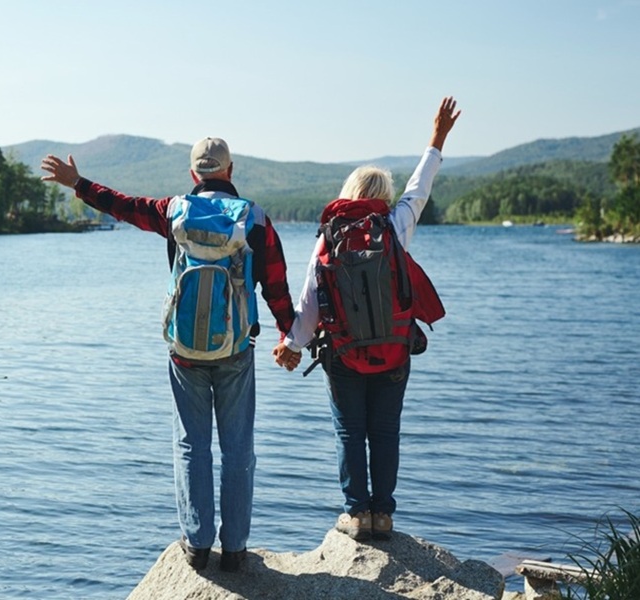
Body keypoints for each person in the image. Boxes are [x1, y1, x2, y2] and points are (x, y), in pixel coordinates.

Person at [40, 138, 295, 572]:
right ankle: (235, 549)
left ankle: (197, 544)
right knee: (238, 449)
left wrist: (78, 183)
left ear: (194, 174)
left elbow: (123, 206)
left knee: (191, 444)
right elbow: (276, 285)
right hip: (236, 349)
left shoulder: (173, 210)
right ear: (230, 171)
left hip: (184, 351)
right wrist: (290, 336)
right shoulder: (255, 218)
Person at [273, 97, 461, 541]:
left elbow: (311, 300)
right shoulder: (394, 226)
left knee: (350, 433)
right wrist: (437, 138)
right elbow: (420, 188)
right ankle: (384, 516)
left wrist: (291, 345)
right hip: (394, 351)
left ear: (349, 193)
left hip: (343, 355)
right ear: (383, 198)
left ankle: (356, 514)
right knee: (386, 432)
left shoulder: (329, 236)